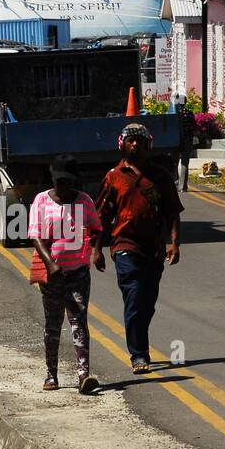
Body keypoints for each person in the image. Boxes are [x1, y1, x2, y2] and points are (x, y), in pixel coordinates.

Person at [93, 123, 182, 374]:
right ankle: (139, 354)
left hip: (153, 247)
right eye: (131, 140)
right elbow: (102, 216)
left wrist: (174, 242)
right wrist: (97, 249)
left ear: (148, 145)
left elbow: (172, 211)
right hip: (124, 245)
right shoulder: (113, 176)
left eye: (140, 141)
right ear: (122, 144)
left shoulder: (160, 176)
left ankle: (138, 335)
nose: (136, 145)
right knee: (133, 294)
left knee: (147, 301)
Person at [28, 156, 102, 394]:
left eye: (68, 182)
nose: (63, 187)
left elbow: (97, 228)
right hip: (53, 275)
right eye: (60, 182)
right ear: (53, 179)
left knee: (79, 321)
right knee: (53, 324)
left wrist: (96, 251)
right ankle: (51, 374)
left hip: (78, 273)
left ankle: (84, 375)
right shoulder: (41, 201)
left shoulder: (85, 202)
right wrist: (50, 263)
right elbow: (36, 235)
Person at [178, 100, 197, 192]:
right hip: (187, 141)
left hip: (176, 141)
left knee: (174, 163)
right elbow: (194, 126)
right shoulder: (189, 113)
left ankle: (175, 183)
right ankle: (183, 187)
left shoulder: (175, 114)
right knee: (184, 163)